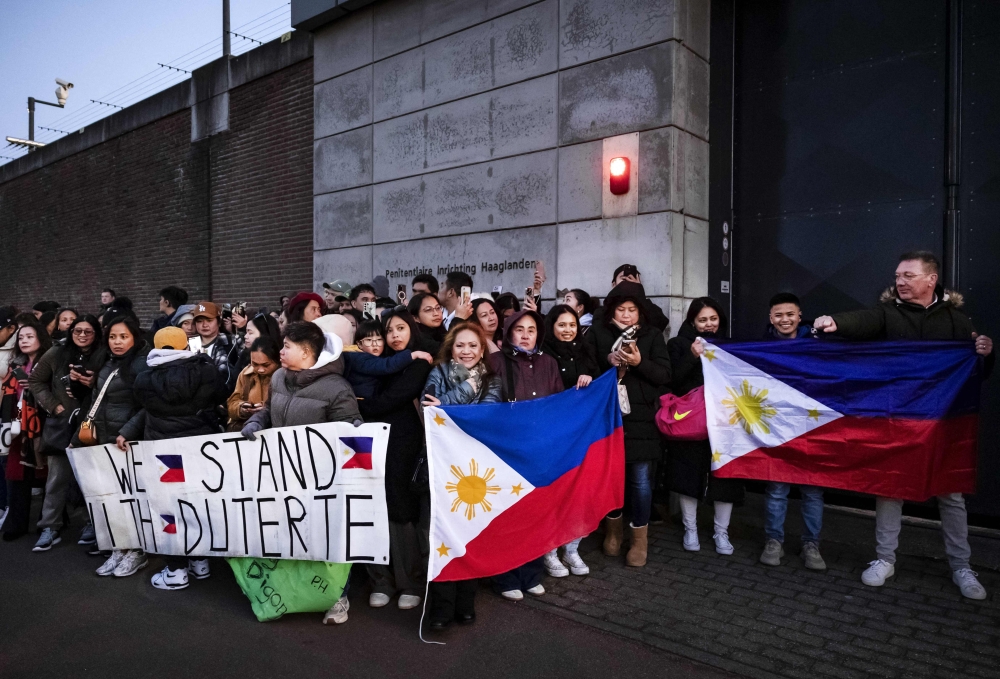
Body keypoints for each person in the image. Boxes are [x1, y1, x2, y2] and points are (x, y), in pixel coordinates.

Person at [813, 251, 994, 599]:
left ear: (931, 279)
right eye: (897, 275)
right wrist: (835, 322)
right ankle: (884, 559)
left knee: (950, 492)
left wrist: (987, 353)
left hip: (943, 420)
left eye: (908, 275)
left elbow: (976, 375)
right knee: (891, 486)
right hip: (899, 418)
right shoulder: (888, 313)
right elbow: (864, 321)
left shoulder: (957, 321)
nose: (899, 281)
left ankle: (961, 567)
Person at [242, 321, 362, 624]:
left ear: (306, 351)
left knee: (328, 537)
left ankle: (338, 596)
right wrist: (255, 423)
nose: (280, 352)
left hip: (322, 480)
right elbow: (270, 410)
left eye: (286, 347)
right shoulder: (280, 377)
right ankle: (294, 593)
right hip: (282, 475)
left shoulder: (337, 388)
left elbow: (351, 430)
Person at [122, 326, 228, 590]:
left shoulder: (144, 378)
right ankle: (200, 562)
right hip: (199, 449)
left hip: (164, 454)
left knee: (169, 509)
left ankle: (176, 569)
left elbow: (145, 410)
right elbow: (219, 398)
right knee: (197, 504)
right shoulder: (206, 370)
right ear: (184, 345)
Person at [421, 323, 503, 629]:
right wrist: (467, 388)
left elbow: (484, 418)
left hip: (475, 469)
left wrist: (448, 406)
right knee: (442, 537)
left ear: (482, 350)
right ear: (450, 348)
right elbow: (429, 412)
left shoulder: (493, 381)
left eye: (473, 346)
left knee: (471, 536)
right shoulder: (437, 374)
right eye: (460, 346)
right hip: (442, 468)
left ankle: (466, 602)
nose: (466, 351)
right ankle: (441, 609)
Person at [357, 310, 436, 614]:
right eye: (389, 331)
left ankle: (410, 582)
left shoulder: (419, 362)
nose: (395, 336)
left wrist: (363, 405)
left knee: (403, 511)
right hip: (371, 446)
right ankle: (381, 581)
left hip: (405, 446)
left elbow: (390, 399)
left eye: (401, 328)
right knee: (373, 509)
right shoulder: (378, 365)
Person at [588, 283, 672, 567]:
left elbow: (664, 374)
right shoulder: (598, 333)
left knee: (640, 481)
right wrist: (608, 361)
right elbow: (586, 369)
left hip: (642, 419)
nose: (626, 315)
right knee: (611, 477)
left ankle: (639, 539)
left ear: (640, 312)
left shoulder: (652, 336)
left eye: (632, 310)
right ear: (612, 310)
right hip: (608, 417)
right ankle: (612, 533)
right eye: (621, 310)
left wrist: (639, 361)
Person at [488, 309, 563, 599]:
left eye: (532, 329)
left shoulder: (549, 363)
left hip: (539, 449)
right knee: (507, 515)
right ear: (508, 332)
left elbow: (557, 404)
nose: (526, 335)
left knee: (535, 513)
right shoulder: (496, 361)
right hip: (506, 449)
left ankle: (531, 574)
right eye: (519, 329)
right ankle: (506, 577)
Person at [669, 298, 743, 556]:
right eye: (702, 320)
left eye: (713, 319)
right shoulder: (678, 344)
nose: (709, 324)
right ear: (692, 322)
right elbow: (673, 381)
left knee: (726, 476)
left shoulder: (731, 346)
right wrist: (691, 356)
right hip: (691, 422)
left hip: (726, 423)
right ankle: (690, 529)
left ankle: (721, 532)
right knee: (688, 474)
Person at [28, 314, 107, 551]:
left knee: (91, 479)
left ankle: (91, 524)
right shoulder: (56, 352)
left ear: (96, 333)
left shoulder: (103, 354)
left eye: (88, 331)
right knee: (56, 479)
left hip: (92, 425)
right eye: (77, 331)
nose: (82, 335)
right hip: (62, 424)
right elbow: (35, 381)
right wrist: (55, 406)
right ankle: (50, 527)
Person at [758, 293, 825, 570]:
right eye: (778, 315)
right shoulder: (759, 347)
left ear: (799, 316)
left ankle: (812, 544)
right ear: (770, 318)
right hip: (778, 427)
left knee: (813, 491)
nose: (784, 320)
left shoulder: (819, 344)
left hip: (814, 427)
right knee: (776, 489)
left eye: (790, 314)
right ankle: (774, 541)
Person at [83, 315, 151, 578]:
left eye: (123, 336)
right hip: (103, 439)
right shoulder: (105, 362)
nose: (117, 342)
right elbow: (96, 400)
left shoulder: (142, 364)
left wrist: (128, 431)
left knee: (131, 498)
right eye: (112, 337)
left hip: (128, 442)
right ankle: (119, 547)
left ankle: (137, 551)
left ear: (134, 336)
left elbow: (148, 405)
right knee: (111, 498)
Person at [538, 304, 600, 578]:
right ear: (551, 326)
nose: (567, 330)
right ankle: (549, 551)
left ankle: (572, 548)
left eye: (572, 325)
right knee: (555, 492)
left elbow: (601, 386)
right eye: (562, 325)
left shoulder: (587, 351)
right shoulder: (544, 355)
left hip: (582, 435)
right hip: (553, 435)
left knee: (580, 492)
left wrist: (592, 379)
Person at [1, 320, 51, 541]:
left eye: (30, 337)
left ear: (41, 338)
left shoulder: (50, 363)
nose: (24, 341)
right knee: (16, 475)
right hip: (16, 426)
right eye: (21, 337)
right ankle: (16, 522)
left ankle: (48, 523)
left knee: (49, 476)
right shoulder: (15, 365)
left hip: (43, 424)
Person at [342, 319, 433, 400]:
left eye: (379, 339)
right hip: (364, 401)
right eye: (369, 340)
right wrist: (412, 355)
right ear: (359, 344)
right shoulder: (359, 358)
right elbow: (385, 365)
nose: (375, 344)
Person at [226, 336, 280, 432]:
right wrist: (242, 408)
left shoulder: (284, 376)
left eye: (266, 365)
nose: (260, 369)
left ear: (277, 361)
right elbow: (232, 402)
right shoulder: (246, 374)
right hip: (246, 429)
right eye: (255, 364)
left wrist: (266, 410)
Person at [601, 265, 669, 333]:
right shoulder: (603, 309)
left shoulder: (648, 307)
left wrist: (639, 291)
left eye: (631, 279)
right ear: (614, 284)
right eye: (624, 279)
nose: (627, 282)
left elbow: (660, 323)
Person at [192, 302, 232, 386]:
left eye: (209, 320)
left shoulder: (232, 341)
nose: (204, 325)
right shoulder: (189, 344)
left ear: (219, 322)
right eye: (199, 321)